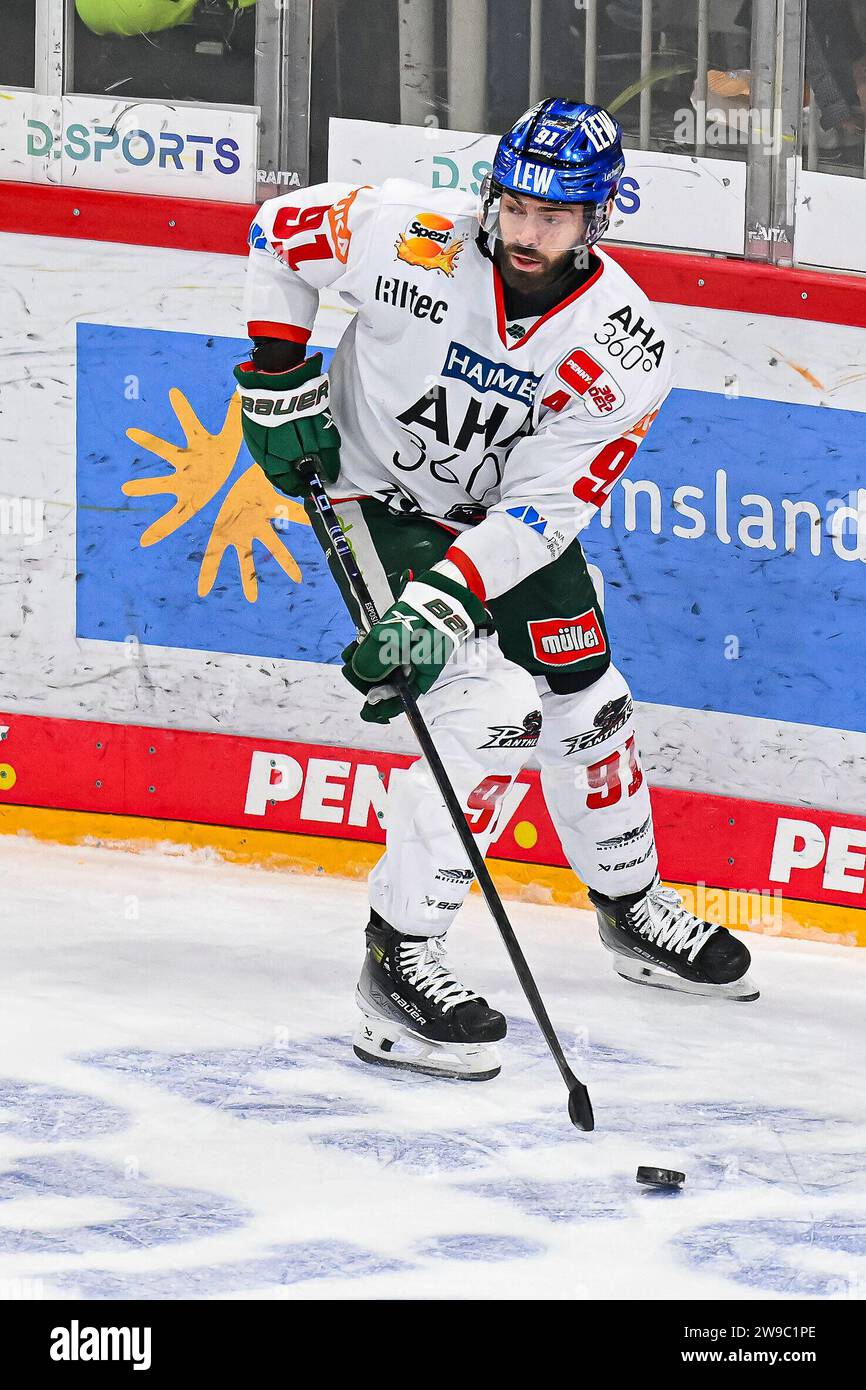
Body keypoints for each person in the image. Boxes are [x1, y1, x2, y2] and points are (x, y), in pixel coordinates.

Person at [235, 99, 758, 1083]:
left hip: (497, 521)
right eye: (513, 207)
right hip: (370, 493)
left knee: (586, 695)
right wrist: (274, 374)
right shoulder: (411, 235)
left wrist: (442, 598)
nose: (524, 233)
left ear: (594, 217)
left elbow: (540, 513)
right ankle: (397, 959)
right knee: (486, 707)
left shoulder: (623, 348)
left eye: (551, 218)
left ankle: (629, 906)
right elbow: (277, 233)